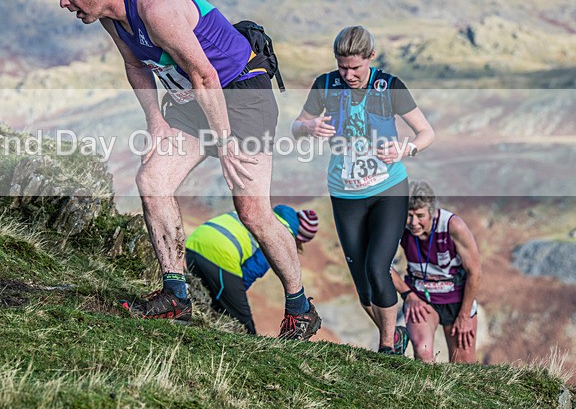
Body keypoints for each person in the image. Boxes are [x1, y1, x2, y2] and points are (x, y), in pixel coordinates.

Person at [54, 0, 321, 340]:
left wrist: (225, 142)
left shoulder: (156, 8)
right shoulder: (112, 17)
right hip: (194, 100)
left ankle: (300, 310)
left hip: (241, 96)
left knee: (252, 211)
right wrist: (156, 122)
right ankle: (175, 297)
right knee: (152, 180)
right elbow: (134, 65)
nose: (63, 2)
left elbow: (205, 75)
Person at [291, 25, 434, 354]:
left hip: (388, 189)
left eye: (355, 67)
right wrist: (308, 126)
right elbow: (296, 127)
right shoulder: (325, 85)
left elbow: (426, 133)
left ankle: (386, 349)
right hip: (345, 195)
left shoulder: (390, 86)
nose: (348, 75)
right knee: (363, 288)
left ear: (371, 56)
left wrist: (405, 149)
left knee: (377, 267)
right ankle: (394, 337)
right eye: (342, 67)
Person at [186, 205, 320, 334]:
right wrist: (235, 296)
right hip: (219, 256)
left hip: (193, 244)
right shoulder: (279, 236)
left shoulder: (264, 213)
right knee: (244, 323)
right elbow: (252, 270)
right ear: (299, 238)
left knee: (208, 302)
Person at [391, 180, 481, 363]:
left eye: (420, 216)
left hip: (456, 300)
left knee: (463, 367)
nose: (413, 223)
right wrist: (408, 295)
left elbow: (475, 272)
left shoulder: (453, 226)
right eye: (409, 216)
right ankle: (427, 383)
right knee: (423, 353)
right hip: (420, 298)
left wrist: (464, 316)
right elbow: (381, 265)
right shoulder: (398, 226)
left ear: (432, 212)